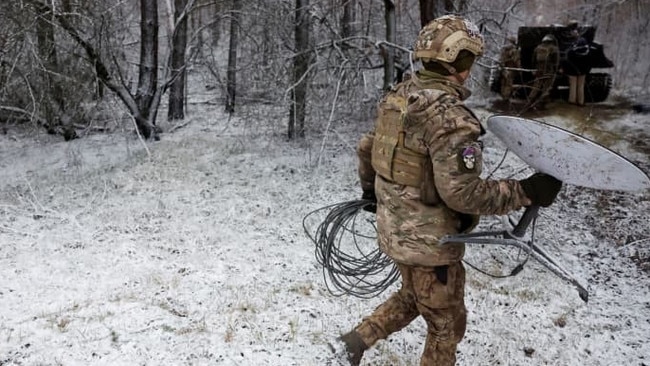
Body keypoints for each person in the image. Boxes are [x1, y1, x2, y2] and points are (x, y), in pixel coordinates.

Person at [335, 15, 563, 366]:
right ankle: (357, 342)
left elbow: (367, 148)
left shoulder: (399, 96)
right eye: (468, 59)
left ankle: (355, 341)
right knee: (446, 325)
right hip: (431, 245)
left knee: (414, 295)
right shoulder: (449, 117)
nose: (469, 68)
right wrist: (526, 191)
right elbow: (463, 194)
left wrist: (371, 194)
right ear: (457, 61)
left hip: (395, 230)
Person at [528, 34, 560, 108]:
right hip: (549, 71)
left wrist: (535, 69)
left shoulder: (538, 48)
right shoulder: (554, 49)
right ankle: (542, 104)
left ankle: (530, 101)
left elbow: (533, 60)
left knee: (536, 87)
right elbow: (556, 62)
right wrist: (555, 70)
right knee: (546, 88)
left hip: (539, 70)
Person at [564, 36, 591, 106]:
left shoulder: (570, 52)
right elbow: (589, 63)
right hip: (582, 72)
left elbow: (567, 61)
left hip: (572, 72)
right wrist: (586, 71)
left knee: (573, 86)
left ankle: (572, 101)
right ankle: (580, 102)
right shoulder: (588, 53)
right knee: (581, 86)